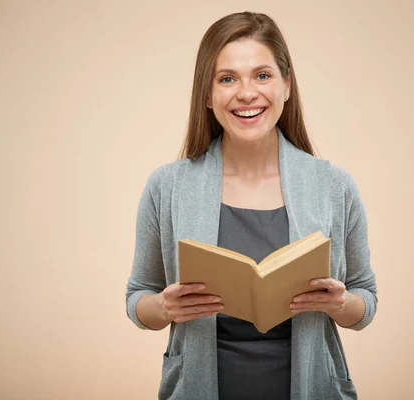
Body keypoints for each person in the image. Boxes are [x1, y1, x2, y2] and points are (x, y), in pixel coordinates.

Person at [125, 11, 377, 400]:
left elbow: (366, 300)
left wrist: (341, 303)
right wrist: (164, 307)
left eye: (262, 75)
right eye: (227, 79)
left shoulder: (334, 186)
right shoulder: (167, 186)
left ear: (287, 85)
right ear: (207, 95)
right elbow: (138, 297)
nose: (246, 93)